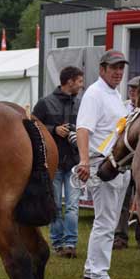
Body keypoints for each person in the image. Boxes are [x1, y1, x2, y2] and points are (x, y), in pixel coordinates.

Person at [76, 50, 132, 279]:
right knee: (106, 224)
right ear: (102, 69)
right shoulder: (95, 93)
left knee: (105, 222)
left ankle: (91, 276)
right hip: (103, 165)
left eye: (121, 67)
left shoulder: (114, 95)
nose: (118, 72)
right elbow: (83, 129)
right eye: (113, 68)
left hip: (116, 165)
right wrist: (85, 160)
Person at [33, 66, 84, 258]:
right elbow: (33, 127)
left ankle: (70, 244)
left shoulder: (81, 104)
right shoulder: (44, 103)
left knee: (72, 206)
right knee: (54, 206)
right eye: (79, 81)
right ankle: (57, 244)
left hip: (73, 162)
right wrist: (54, 130)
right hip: (51, 164)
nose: (81, 85)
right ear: (69, 81)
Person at [113, 76, 140, 250]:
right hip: (127, 159)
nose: (132, 91)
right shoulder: (123, 107)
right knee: (123, 198)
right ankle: (120, 236)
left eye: (136, 88)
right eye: (130, 88)